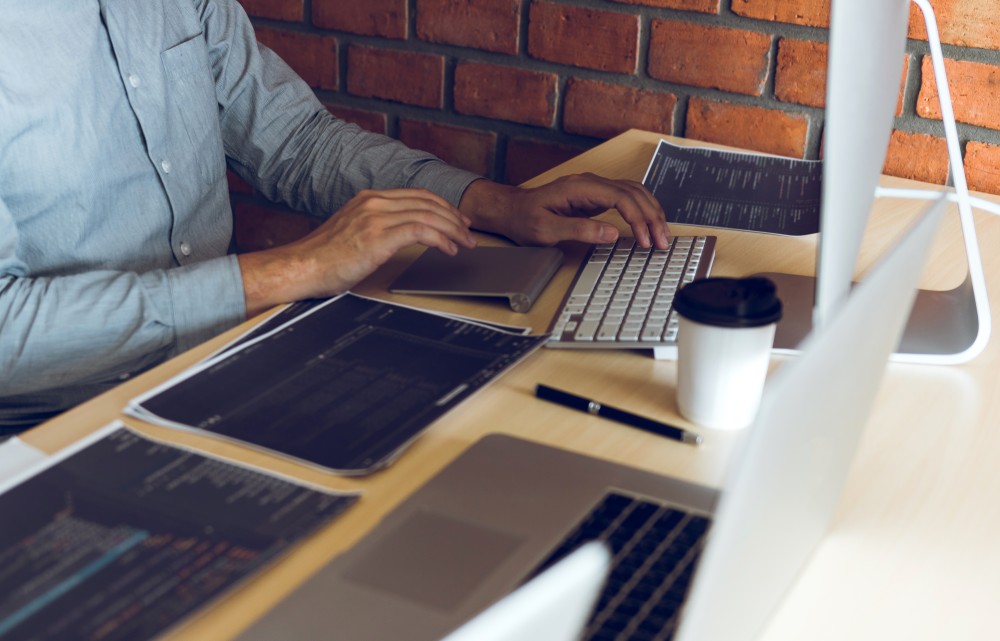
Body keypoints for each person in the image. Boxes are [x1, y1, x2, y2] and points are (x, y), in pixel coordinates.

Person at [0, 0, 669, 435]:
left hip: (222, 369)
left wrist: (495, 203)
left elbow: (296, 140)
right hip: (54, 427)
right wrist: (295, 270)